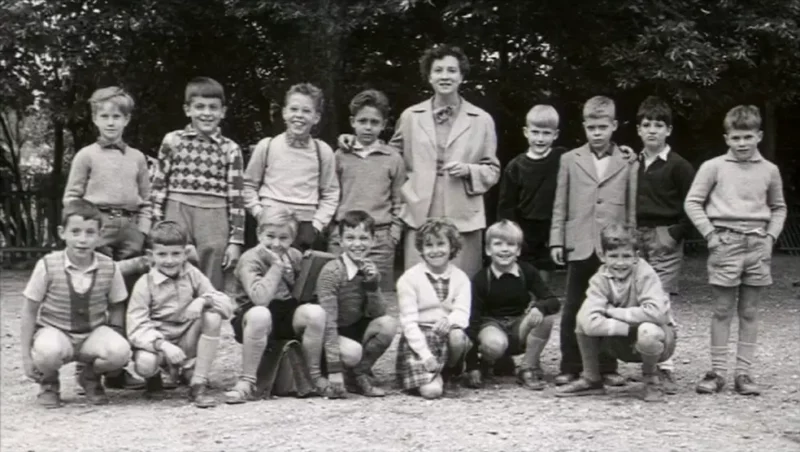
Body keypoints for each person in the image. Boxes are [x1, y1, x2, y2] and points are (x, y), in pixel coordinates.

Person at [684, 105, 786, 396]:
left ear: (759, 136)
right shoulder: (713, 166)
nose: (742, 143)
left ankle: (744, 373)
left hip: (757, 244)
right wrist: (710, 233)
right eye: (736, 138)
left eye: (748, 137)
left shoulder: (770, 170)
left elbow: (778, 207)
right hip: (725, 243)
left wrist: (770, 237)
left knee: (750, 311)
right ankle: (717, 372)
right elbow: (693, 202)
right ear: (726, 138)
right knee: (722, 309)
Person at [62, 86, 151, 390]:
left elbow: (147, 199)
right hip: (97, 227)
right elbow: (72, 197)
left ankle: (116, 369)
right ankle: (86, 367)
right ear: (95, 119)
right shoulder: (86, 155)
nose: (111, 122)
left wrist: (142, 230)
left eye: (117, 116)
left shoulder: (137, 158)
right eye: (105, 116)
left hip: (129, 228)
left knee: (124, 297)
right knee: (95, 294)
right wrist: (82, 231)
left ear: (127, 120)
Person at [389, 44, 500, 278]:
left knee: (461, 283)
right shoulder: (410, 116)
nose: (445, 76)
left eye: (452, 70)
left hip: (463, 214)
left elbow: (492, 170)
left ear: (461, 76)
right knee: (419, 282)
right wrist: (357, 142)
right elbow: (390, 159)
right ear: (429, 77)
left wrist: (469, 170)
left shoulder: (481, 119)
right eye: (438, 70)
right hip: (419, 211)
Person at [549, 95, 638, 387]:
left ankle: (607, 365)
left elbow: (630, 207)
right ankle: (570, 364)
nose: (597, 133)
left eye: (602, 127)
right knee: (574, 306)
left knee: (610, 305)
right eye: (591, 128)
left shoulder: (626, 160)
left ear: (614, 126)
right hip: (580, 242)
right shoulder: (569, 159)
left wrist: (630, 244)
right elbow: (560, 203)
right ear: (584, 127)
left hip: (613, 247)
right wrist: (557, 240)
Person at [20, 200, 131, 408]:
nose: (82, 240)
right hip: (56, 332)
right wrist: (26, 356)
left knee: (120, 351)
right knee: (47, 351)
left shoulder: (109, 267)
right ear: (62, 233)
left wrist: (116, 334)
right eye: (75, 232)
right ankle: (49, 383)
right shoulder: (47, 265)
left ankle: (90, 376)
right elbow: (29, 310)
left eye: (90, 233)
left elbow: (117, 305)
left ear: (100, 235)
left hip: (92, 334)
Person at [555, 224, 677, 402]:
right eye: (613, 256)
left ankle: (651, 379)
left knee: (648, 331)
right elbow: (588, 321)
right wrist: (628, 328)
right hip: (624, 336)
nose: (620, 263)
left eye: (626, 256)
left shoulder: (645, 274)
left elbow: (657, 313)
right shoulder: (599, 279)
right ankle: (591, 378)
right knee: (582, 319)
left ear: (636, 257)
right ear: (603, 256)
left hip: (660, 340)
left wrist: (613, 312)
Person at [149, 76, 245, 291]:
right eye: (200, 107)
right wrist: (156, 222)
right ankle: (171, 308)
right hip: (177, 209)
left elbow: (237, 197)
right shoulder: (173, 140)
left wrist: (236, 240)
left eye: (213, 107)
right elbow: (159, 185)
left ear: (223, 112)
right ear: (187, 110)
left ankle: (210, 308)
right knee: (174, 260)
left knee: (212, 262)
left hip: (215, 214)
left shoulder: (230, 149)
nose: (207, 113)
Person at [225, 206, 328, 403]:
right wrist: (276, 266)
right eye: (270, 236)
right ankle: (247, 381)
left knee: (316, 313)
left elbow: (301, 292)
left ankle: (313, 376)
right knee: (260, 314)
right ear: (259, 233)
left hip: (285, 313)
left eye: (283, 238)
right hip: (252, 317)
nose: (276, 243)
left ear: (293, 238)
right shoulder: (250, 259)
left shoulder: (294, 255)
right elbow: (260, 299)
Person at [127, 221, 232, 408]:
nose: (169, 260)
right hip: (159, 343)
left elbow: (225, 303)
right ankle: (154, 377)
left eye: (176, 253)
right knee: (145, 363)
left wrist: (203, 300)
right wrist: (162, 345)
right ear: (151, 256)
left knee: (212, 316)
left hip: (186, 338)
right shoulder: (145, 283)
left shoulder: (192, 274)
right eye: (162, 254)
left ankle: (198, 384)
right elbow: (136, 326)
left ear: (185, 253)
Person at [634, 96, 696, 394]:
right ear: (638, 129)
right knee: (637, 299)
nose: (652, 130)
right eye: (646, 125)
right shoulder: (631, 163)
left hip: (664, 237)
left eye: (659, 125)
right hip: (635, 238)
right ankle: (645, 358)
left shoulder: (679, 166)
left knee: (661, 301)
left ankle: (666, 366)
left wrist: (675, 233)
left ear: (668, 130)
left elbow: (694, 204)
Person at [464, 220, 560, 390]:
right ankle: (489, 361)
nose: (505, 249)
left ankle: (527, 368)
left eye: (510, 244)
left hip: (518, 325)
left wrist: (539, 307)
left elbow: (552, 300)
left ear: (518, 250)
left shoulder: (527, 271)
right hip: (491, 325)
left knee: (546, 318)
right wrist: (472, 365)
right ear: (488, 250)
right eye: (498, 244)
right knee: (494, 344)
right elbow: (473, 320)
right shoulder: (481, 279)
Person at [243, 83, 339, 251]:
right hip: (270, 223)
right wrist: (259, 212)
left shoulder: (322, 151)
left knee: (301, 267)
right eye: (294, 109)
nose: (299, 115)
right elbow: (248, 185)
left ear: (316, 117)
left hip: (305, 227)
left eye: (306, 111)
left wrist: (317, 224)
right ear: (284, 112)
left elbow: (330, 193)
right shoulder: (268, 146)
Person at [329, 89, 406, 293]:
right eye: (363, 121)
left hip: (380, 238)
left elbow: (399, 200)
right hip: (344, 234)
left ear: (384, 124)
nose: (368, 127)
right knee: (340, 292)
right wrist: (333, 229)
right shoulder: (340, 155)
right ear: (352, 122)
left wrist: (394, 234)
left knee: (378, 295)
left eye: (374, 122)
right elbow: (330, 194)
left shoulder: (393, 158)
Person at [317, 210, 398, 397]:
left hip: (355, 329)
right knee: (353, 352)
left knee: (388, 324)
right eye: (350, 238)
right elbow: (328, 322)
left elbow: (379, 313)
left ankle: (358, 374)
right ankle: (339, 372)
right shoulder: (332, 271)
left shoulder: (367, 268)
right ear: (341, 241)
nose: (357, 244)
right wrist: (334, 368)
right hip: (332, 335)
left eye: (363, 238)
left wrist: (372, 285)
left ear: (373, 241)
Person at [395, 218, 472, 399]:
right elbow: (408, 323)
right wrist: (426, 355)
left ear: (452, 246)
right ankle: (430, 377)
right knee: (432, 392)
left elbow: (462, 312)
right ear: (421, 249)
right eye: (429, 245)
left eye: (441, 244)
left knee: (458, 336)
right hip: (419, 340)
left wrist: (449, 321)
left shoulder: (461, 278)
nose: (435, 250)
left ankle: (450, 373)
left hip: (445, 334)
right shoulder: (409, 278)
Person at [497, 104, 566, 284]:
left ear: (556, 134)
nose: (540, 139)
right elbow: (506, 205)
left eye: (546, 133)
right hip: (524, 228)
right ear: (526, 132)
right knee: (523, 275)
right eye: (535, 132)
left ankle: (542, 298)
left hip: (551, 227)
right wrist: (510, 233)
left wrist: (622, 152)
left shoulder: (563, 158)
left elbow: (588, 156)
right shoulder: (515, 166)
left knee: (544, 275)